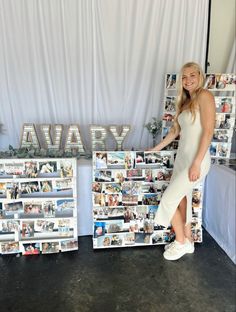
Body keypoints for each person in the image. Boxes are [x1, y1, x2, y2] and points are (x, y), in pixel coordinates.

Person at [150, 62, 215, 261]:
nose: (188, 80)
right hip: (182, 158)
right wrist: (153, 150)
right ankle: (188, 241)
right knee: (181, 200)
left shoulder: (205, 96)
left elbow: (208, 131)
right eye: (184, 77)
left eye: (192, 75)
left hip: (196, 159)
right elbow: (174, 132)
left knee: (168, 199)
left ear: (200, 76)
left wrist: (197, 163)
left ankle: (180, 242)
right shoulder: (185, 102)